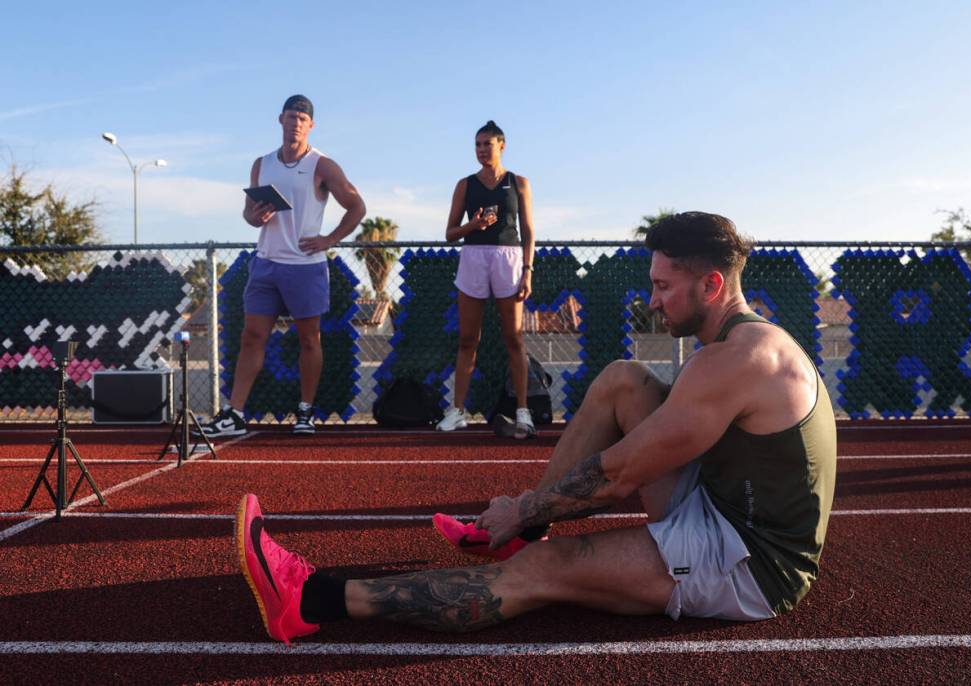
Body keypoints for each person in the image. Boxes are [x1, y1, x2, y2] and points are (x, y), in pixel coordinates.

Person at [234, 212, 837, 642]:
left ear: (711, 285)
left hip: (748, 564)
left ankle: (312, 600)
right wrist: (531, 511)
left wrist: (519, 506)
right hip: (717, 502)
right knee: (623, 379)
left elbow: (621, 475)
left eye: (663, 286)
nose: (654, 301)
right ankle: (528, 534)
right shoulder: (738, 343)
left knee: (541, 574)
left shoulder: (738, 359)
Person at [198, 95, 365, 437]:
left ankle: (305, 412)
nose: (296, 124)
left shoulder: (323, 165)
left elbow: (357, 207)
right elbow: (248, 213)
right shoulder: (262, 164)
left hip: (305, 265)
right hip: (266, 263)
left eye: (302, 119)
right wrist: (255, 217)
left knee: (308, 341)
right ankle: (235, 414)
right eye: (291, 117)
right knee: (252, 337)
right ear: (280, 120)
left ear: (311, 125)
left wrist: (329, 239)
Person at [435, 120, 537, 439]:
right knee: (468, 339)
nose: (481, 150)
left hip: (508, 257)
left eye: (487, 144)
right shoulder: (465, 185)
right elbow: (450, 233)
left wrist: (527, 270)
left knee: (514, 338)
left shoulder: (518, 182)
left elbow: (530, 232)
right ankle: (458, 411)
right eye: (477, 145)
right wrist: (473, 225)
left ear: (501, 146)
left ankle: (523, 412)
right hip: (473, 257)